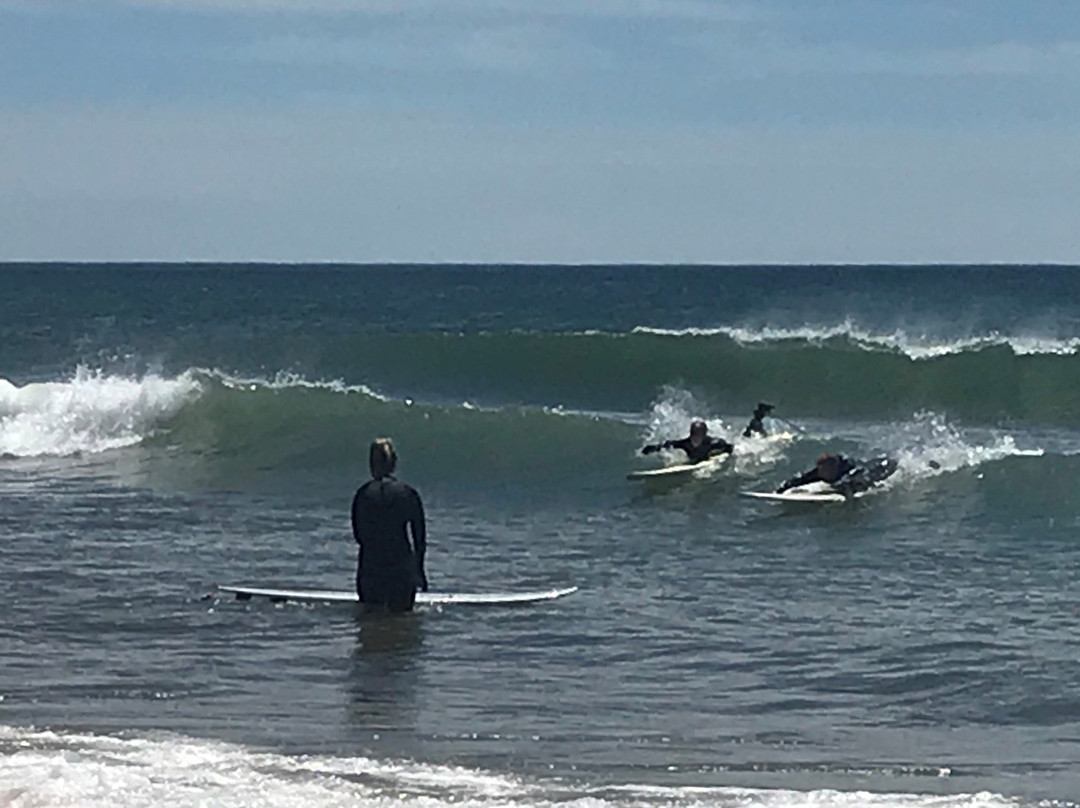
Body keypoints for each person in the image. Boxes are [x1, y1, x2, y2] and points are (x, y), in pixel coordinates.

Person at [351, 438, 428, 613]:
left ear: (372, 463)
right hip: (400, 568)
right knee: (403, 628)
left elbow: (359, 535)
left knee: (371, 628)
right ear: (394, 463)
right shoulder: (408, 493)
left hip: (371, 569)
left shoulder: (363, 494)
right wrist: (419, 571)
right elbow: (419, 539)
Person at [776, 452, 898, 495]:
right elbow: (799, 480)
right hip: (847, 477)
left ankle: (894, 461)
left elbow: (856, 475)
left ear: (834, 466)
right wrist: (782, 489)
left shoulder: (847, 468)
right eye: (821, 469)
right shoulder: (818, 472)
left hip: (869, 468)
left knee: (867, 477)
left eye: (827, 469)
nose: (824, 472)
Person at [641, 419, 734, 465]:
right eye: (694, 435)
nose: (695, 438)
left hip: (707, 457)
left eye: (698, 436)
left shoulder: (713, 443)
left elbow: (729, 447)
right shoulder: (686, 443)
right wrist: (651, 449)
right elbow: (669, 444)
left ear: (704, 436)